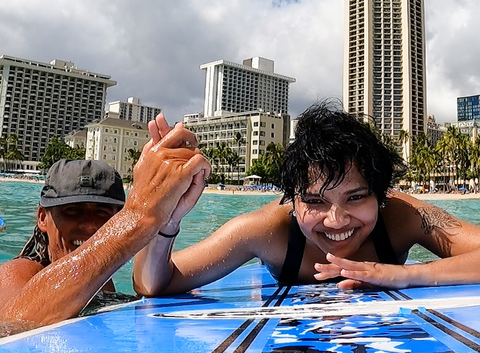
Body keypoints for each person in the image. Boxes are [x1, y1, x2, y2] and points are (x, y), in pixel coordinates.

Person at [133, 101, 480, 296]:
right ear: (292, 200)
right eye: (315, 202)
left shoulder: (405, 217)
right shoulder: (266, 232)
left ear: (381, 194)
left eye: (356, 197)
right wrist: (166, 219)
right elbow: (152, 284)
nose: (337, 220)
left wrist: (402, 275)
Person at [0, 119, 210, 333]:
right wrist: (140, 218)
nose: (90, 224)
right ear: (43, 218)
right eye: (72, 210)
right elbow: (12, 324)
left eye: (102, 212)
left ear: (115, 217)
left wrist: (168, 218)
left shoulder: (103, 282)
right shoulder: (18, 273)